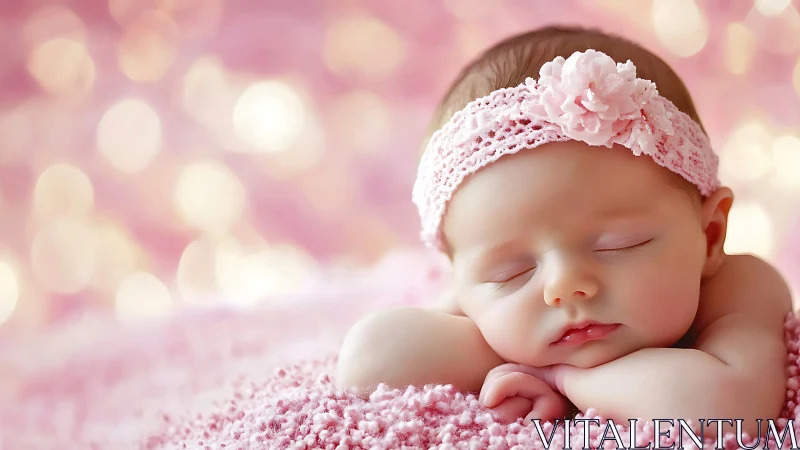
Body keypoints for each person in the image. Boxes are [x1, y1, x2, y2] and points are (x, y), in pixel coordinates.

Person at [335, 26, 791, 439]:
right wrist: (501, 345)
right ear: (461, 280)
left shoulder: (738, 286)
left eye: (619, 245)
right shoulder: (482, 303)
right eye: (511, 272)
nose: (564, 285)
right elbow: (367, 361)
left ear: (709, 235)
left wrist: (556, 376)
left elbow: (728, 408)